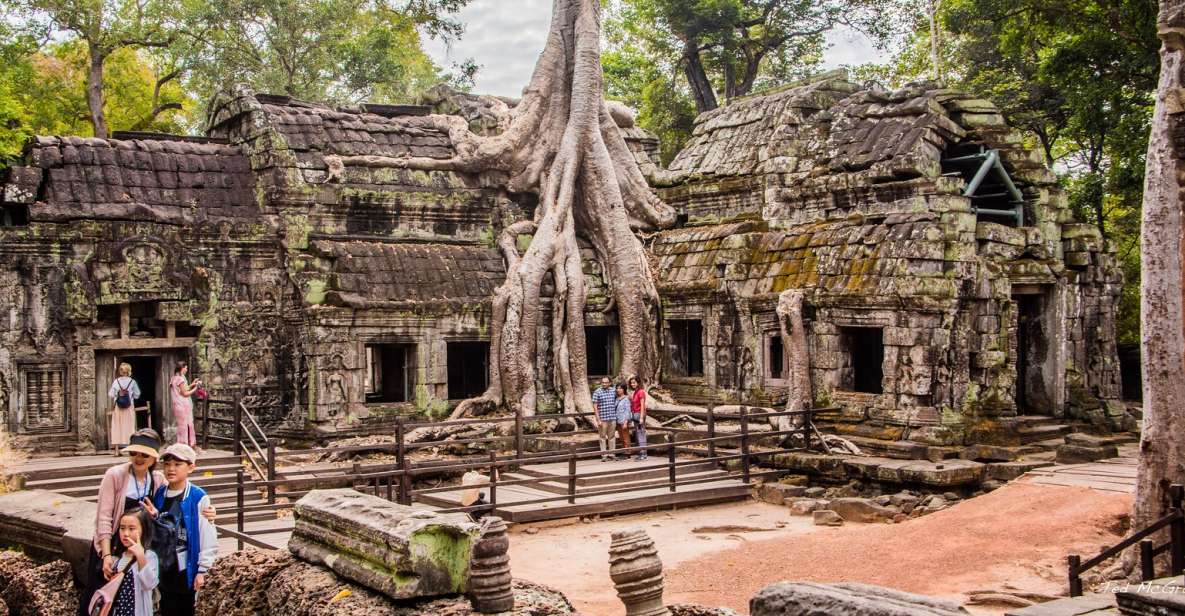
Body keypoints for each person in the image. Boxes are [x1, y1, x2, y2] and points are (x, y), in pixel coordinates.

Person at [148, 443, 218, 616]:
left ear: (191, 467)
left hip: (187, 570)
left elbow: (207, 534)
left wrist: (203, 569)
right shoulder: (159, 494)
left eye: (178, 464)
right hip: (164, 570)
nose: (171, 469)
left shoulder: (197, 496)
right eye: (167, 464)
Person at [105, 507, 159, 616]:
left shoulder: (150, 556)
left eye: (131, 528)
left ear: (143, 530)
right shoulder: (117, 559)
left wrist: (140, 556)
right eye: (122, 528)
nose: (126, 533)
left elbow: (149, 584)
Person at [107, 363, 140, 456]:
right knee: (129, 427)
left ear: (121, 371)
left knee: (117, 427)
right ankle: (130, 449)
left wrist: (118, 394)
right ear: (129, 371)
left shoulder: (116, 381)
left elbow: (111, 394)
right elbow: (137, 395)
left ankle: (117, 451)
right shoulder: (132, 382)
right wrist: (131, 395)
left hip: (118, 407)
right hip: (129, 407)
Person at [170, 361, 202, 448]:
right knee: (187, 425)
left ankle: (183, 443)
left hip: (177, 405)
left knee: (182, 425)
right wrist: (195, 388)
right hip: (183, 405)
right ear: (182, 368)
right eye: (186, 368)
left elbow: (183, 389)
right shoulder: (180, 379)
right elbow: (185, 393)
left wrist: (192, 384)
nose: (187, 370)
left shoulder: (173, 378)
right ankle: (186, 444)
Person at [591, 377, 618, 461]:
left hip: (612, 418)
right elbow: (595, 407)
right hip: (603, 419)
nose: (604, 384)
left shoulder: (613, 391)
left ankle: (612, 454)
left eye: (606, 382)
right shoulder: (597, 392)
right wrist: (598, 419)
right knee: (602, 437)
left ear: (610, 383)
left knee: (612, 437)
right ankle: (604, 455)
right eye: (603, 382)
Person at [628, 376, 648, 461]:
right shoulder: (635, 392)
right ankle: (640, 453)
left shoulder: (641, 392)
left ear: (638, 383)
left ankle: (643, 454)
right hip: (635, 415)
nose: (633, 384)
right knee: (638, 434)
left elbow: (642, 405)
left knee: (641, 434)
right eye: (631, 383)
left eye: (634, 382)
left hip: (639, 415)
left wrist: (641, 418)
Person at [614, 383, 632, 460]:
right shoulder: (617, 398)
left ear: (624, 389)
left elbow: (628, 411)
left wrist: (626, 422)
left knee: (625, 437)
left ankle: (628, 453)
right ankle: (624, 451)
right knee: (621, 437)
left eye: (620, 388)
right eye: (617, 388)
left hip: (624, 421)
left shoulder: (626, 399)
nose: (618, 390)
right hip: (618, 420)